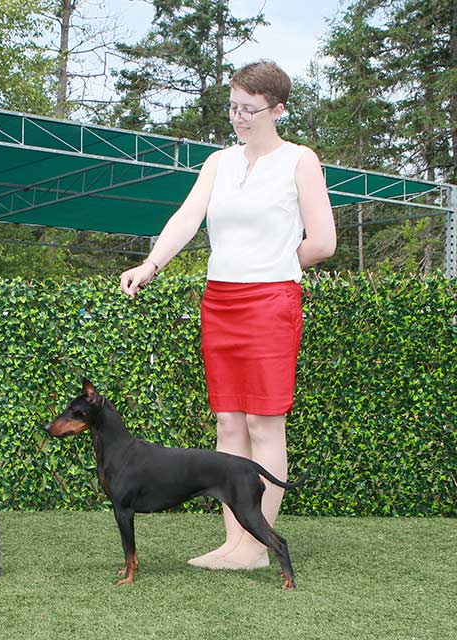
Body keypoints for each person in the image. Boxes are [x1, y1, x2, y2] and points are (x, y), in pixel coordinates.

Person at [120, 61, 336, 570]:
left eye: (249, 109)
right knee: (228, 422)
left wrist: (277, 267)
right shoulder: (218, 162)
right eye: (233, 106)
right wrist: (151, 265)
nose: (238, 117)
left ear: (278, 109)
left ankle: (258, 545)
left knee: (264, 422)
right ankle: (234, 542)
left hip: (271, 302)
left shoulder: (300, 160)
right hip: (219, 301)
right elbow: (187, 218)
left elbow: (323, 241)